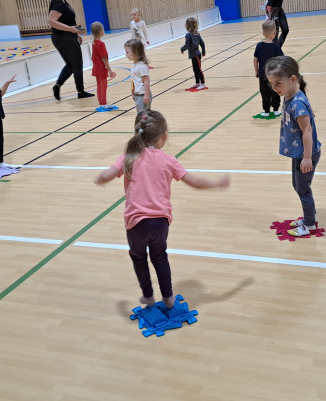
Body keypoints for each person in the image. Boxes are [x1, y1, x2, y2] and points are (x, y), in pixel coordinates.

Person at [95, 110, 229, 308]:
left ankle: (148, 296)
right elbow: (196, 183)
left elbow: (108, 174)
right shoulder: (169, 160)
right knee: (160, 257)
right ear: (164, 136)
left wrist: (101, 178)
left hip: (136, 223)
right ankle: (168, 298)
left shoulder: (129, 156)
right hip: (160, 222)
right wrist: (217, 184)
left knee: (138, 258)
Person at [265, 56, 321, 237]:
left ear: (293, 79)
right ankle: (310, 217)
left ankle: (310, 224)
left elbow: (307, 130)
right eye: (272, 84)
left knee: (303, 189)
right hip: (299, 153)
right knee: (298, 186)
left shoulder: (297, 103)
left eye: (277, 83)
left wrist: (307, 157)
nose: (274, 88)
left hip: (305, 154)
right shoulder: (289, 95)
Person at [48, 0, 94, 101]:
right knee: (77, 64)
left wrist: (76, 33)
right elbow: (51, 22)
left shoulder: (62, 1)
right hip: (64, 38)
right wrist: (70, 30)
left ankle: (57, 86)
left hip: (64, 37)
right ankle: (81, 91)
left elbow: (67, 21)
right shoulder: (58, 3)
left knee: (70, 64)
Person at [254, 19, 284, 117]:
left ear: (263, 33)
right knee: (275, 91)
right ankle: (276, 109)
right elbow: (281, 60)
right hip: (274, 76)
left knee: (264, 93)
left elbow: (255, 59)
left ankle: (266, 111)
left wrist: (256, 70)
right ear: (275, 33)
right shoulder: (276, 47)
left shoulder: (259, 46)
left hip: (263, 75)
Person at [90, 21, 117, 110]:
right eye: (103, 30)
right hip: (101, 67)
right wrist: (109, 70)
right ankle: (104, 103)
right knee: (103, 86)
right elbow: (104, 58)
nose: (104, 31)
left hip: (96, 67)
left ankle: (101, 103)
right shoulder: (101, 44)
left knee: (99, 86)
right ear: (100, 32)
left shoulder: (94, 42)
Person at [180, 17, 206, 90]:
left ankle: (203, 83)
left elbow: (187, 45)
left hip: (196, 55)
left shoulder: (189, 35)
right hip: (194, 55)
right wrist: (203, 51)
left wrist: (182, 49)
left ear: (187, 26)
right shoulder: (197, 34)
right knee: (195, 69)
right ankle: (197, 82)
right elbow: (202, 44)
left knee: (198, 69)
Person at [125, 39, 151, 114]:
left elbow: (146, 80)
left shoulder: (141, 66)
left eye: (127, 52)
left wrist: (146, 95)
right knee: (141, 115)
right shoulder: (135, 65)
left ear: (135, 52)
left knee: (143, 116)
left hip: (143, 95)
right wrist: (133, 90)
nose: (126, 55)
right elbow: (134, 79)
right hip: (138, 95)